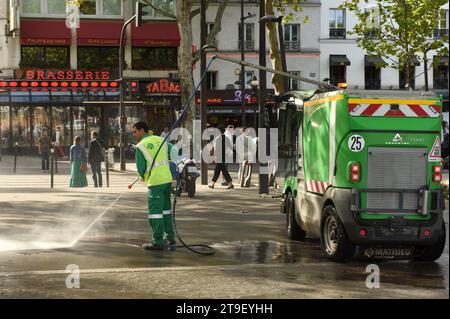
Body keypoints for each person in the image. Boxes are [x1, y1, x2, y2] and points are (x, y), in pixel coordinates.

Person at [132, 121, 176, 251]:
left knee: (155, 213)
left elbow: (141, 168)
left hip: (155, 183)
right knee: (166, 210)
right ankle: (170, 237)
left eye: (135, 131)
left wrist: (143, 177)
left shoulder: (140, 146)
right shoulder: (160, 139)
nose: (133, 134)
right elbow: (174, 151)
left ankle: (157, 241)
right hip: (167, 180)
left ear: (142, 131)